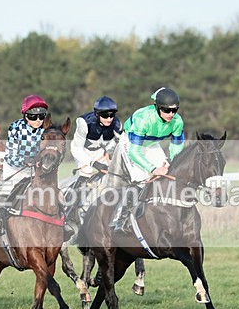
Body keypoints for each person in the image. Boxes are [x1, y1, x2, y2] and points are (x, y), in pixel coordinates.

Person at [108, 86, 184, 231]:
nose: (171, 114)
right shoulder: (144, 119)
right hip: (130, 143)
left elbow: (176, 146)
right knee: (141, 179)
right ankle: (119, 219)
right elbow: (135, 152)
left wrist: (170, 162)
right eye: (166, 110)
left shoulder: (178, 121)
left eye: (174, 110)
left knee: (168, 174)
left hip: (151, 144)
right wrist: (154, 169)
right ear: (157, 107)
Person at [0, 94, 49, 233]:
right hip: (15, 168)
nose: (38, 120)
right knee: (6, 191)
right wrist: (25, 161)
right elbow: (11, 155)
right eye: (33, 117)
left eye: (41, 116)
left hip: (37, 169)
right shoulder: (15, 128)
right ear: (25, 116)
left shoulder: (46, 130)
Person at [64, 96, 122, 236]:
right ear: (97, 114)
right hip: (83, 152)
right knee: (88, 172)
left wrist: (109, 156)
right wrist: (94, 163)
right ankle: (68, 213)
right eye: (105, 115)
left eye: (112, 115)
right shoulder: (84, 122)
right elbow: (77, 148)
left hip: (103, 152)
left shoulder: (118, 124)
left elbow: (119, 144)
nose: (109, 118)